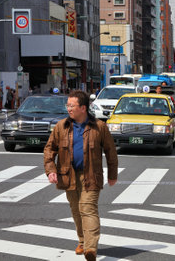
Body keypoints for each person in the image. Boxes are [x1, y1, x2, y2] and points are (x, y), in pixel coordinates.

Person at [44, 90, 118, 260]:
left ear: (83, 108)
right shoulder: (62, 126)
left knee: (88, 209)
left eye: (72, 105)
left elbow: (110, 151)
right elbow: (49, 148)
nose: (68, 108)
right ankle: (83, 241)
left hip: (91, 175)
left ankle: (91, 249)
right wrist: (51, 170)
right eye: (67, 105)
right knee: (76, 210)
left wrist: (112, 174)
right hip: (67, 175)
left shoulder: (99, 127)